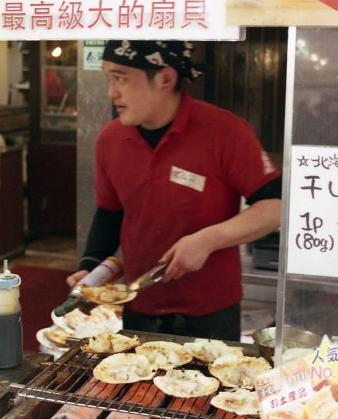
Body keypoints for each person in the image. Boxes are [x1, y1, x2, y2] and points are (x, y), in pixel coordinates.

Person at [66, 40, 282, 341]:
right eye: (108, 79)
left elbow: (275, 206)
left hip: (211, 313)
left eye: (121, 78)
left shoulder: (225, 130)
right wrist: (90, 269)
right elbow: (110, 212)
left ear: (165, 78)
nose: (111, 92)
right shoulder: (110, 139)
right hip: (138, 306)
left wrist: (208, 240)